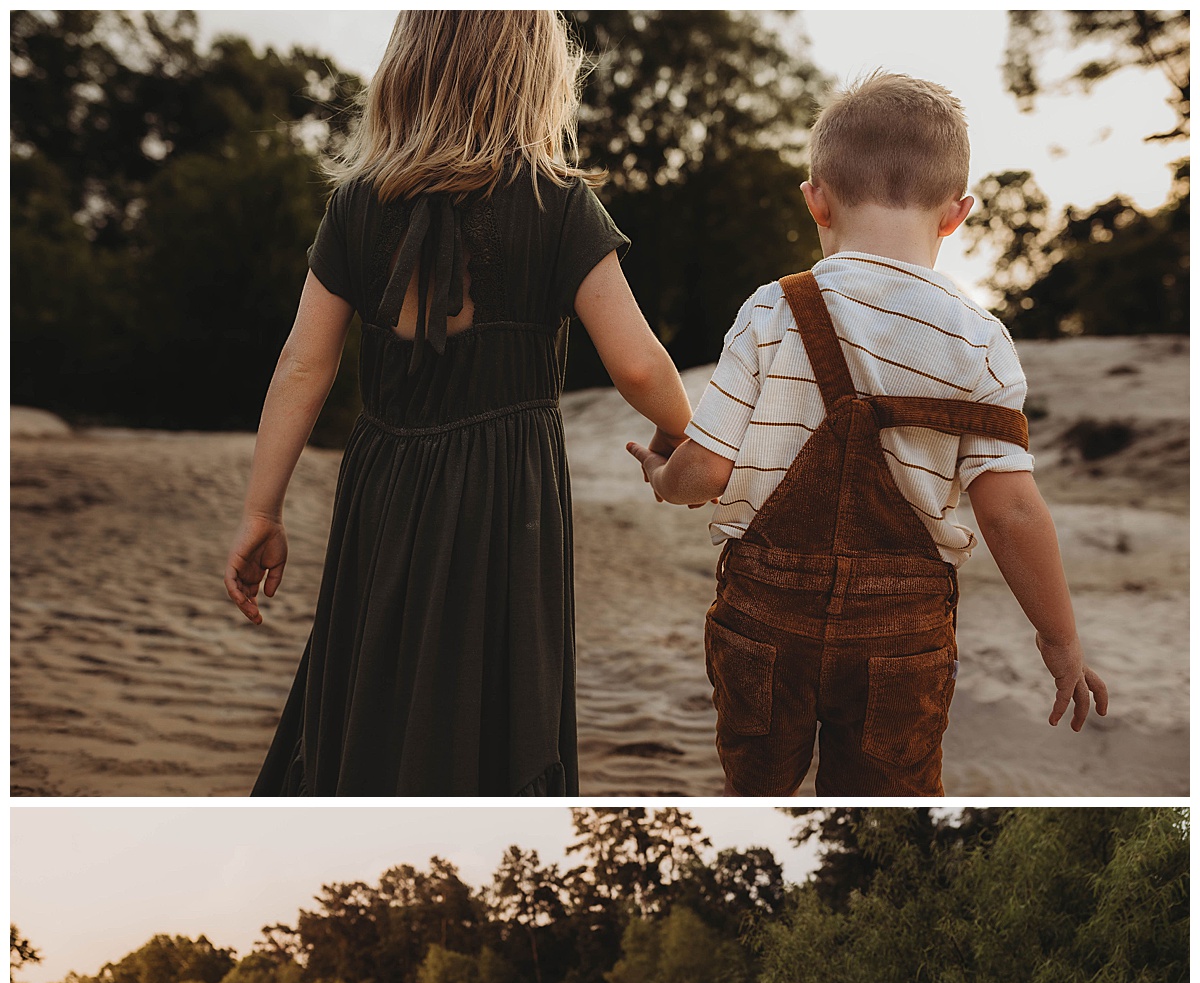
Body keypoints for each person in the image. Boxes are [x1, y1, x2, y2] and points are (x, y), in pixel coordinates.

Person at [225, 11, 692, 796]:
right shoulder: (557, 205)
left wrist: (260, 512)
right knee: (496, 692)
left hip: (383, 491)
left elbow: (303, 366)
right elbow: (640, 367)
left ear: (407, 67)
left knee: (377, 669)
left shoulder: (356, 206)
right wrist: (690, 433)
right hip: (506, 503)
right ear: (535, 78)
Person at [627, 71, 1108, 797]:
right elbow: (1010, 510)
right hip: (902, 637)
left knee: (755, 796)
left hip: (764, 620)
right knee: (890, 808)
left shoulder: (771, 310)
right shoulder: (980, 341)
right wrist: (1060, 639)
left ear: (814, 196)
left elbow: (706, 471)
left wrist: (664, 478)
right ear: (959, 214)